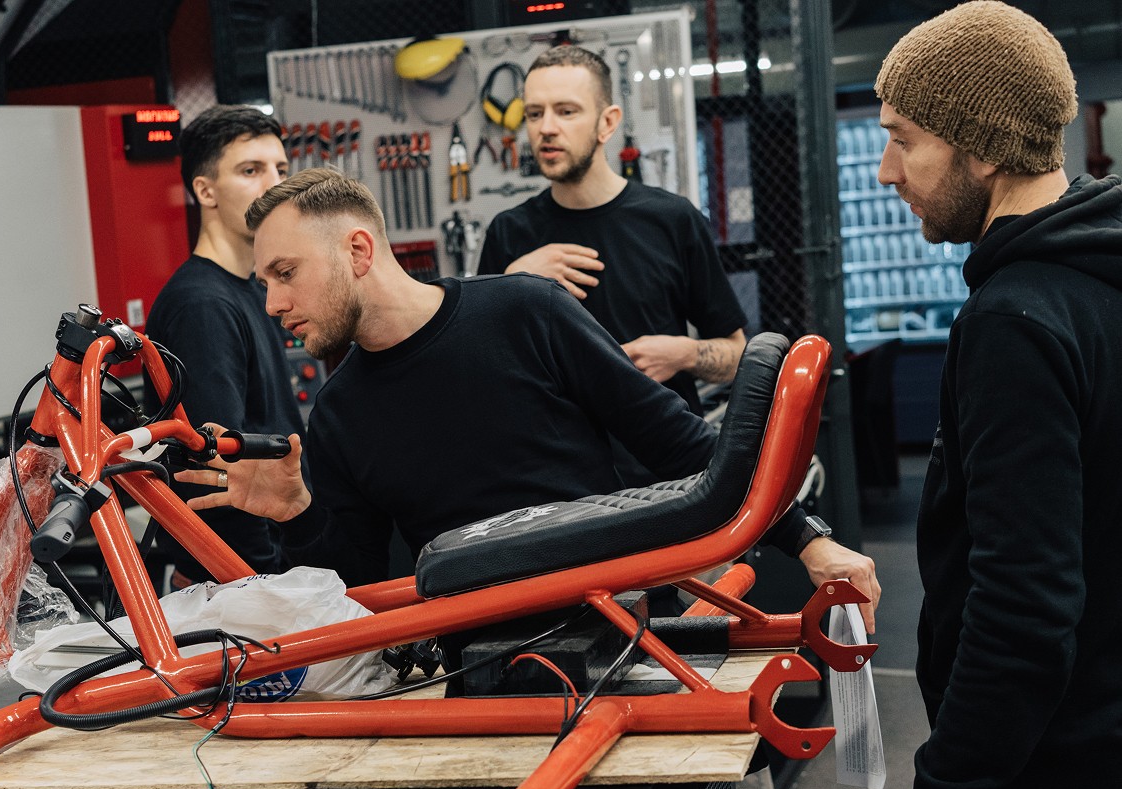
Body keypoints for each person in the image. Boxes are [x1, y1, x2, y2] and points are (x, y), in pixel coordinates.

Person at [178, 167, 881, 634]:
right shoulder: (335, 414)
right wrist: (296, 512)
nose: (271, 303)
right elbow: (355, 587)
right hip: (474, 666)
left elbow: (681, 443)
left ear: (358, 250)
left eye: (284, 273)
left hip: (617, 628)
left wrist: (811, 542)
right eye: (263, 280)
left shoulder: (525, 312)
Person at [874, 3, 1122, 789]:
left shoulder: (1013, 322)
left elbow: (1022, 603)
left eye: (903, 138)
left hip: (1050, 775)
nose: (886, 169)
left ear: (979, 149)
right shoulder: (1095, 278)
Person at [475, 45, 746, 439]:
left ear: (607, 123)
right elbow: (480, 366)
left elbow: (738, 355)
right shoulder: (508, 233)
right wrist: (513, 282)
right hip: (557, 473)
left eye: (566, 111)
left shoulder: (671, 219)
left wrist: (683, 353)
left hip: (663, 466)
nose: (546, 127)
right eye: (534, 113)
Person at [144, 104, 305, 585]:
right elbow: (220, 465)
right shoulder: (202, 307)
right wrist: (265, 584)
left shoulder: (253, 289)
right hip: (239, 583)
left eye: (280, 168)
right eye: (250, 170)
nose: (273, 185)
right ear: (205, 190)